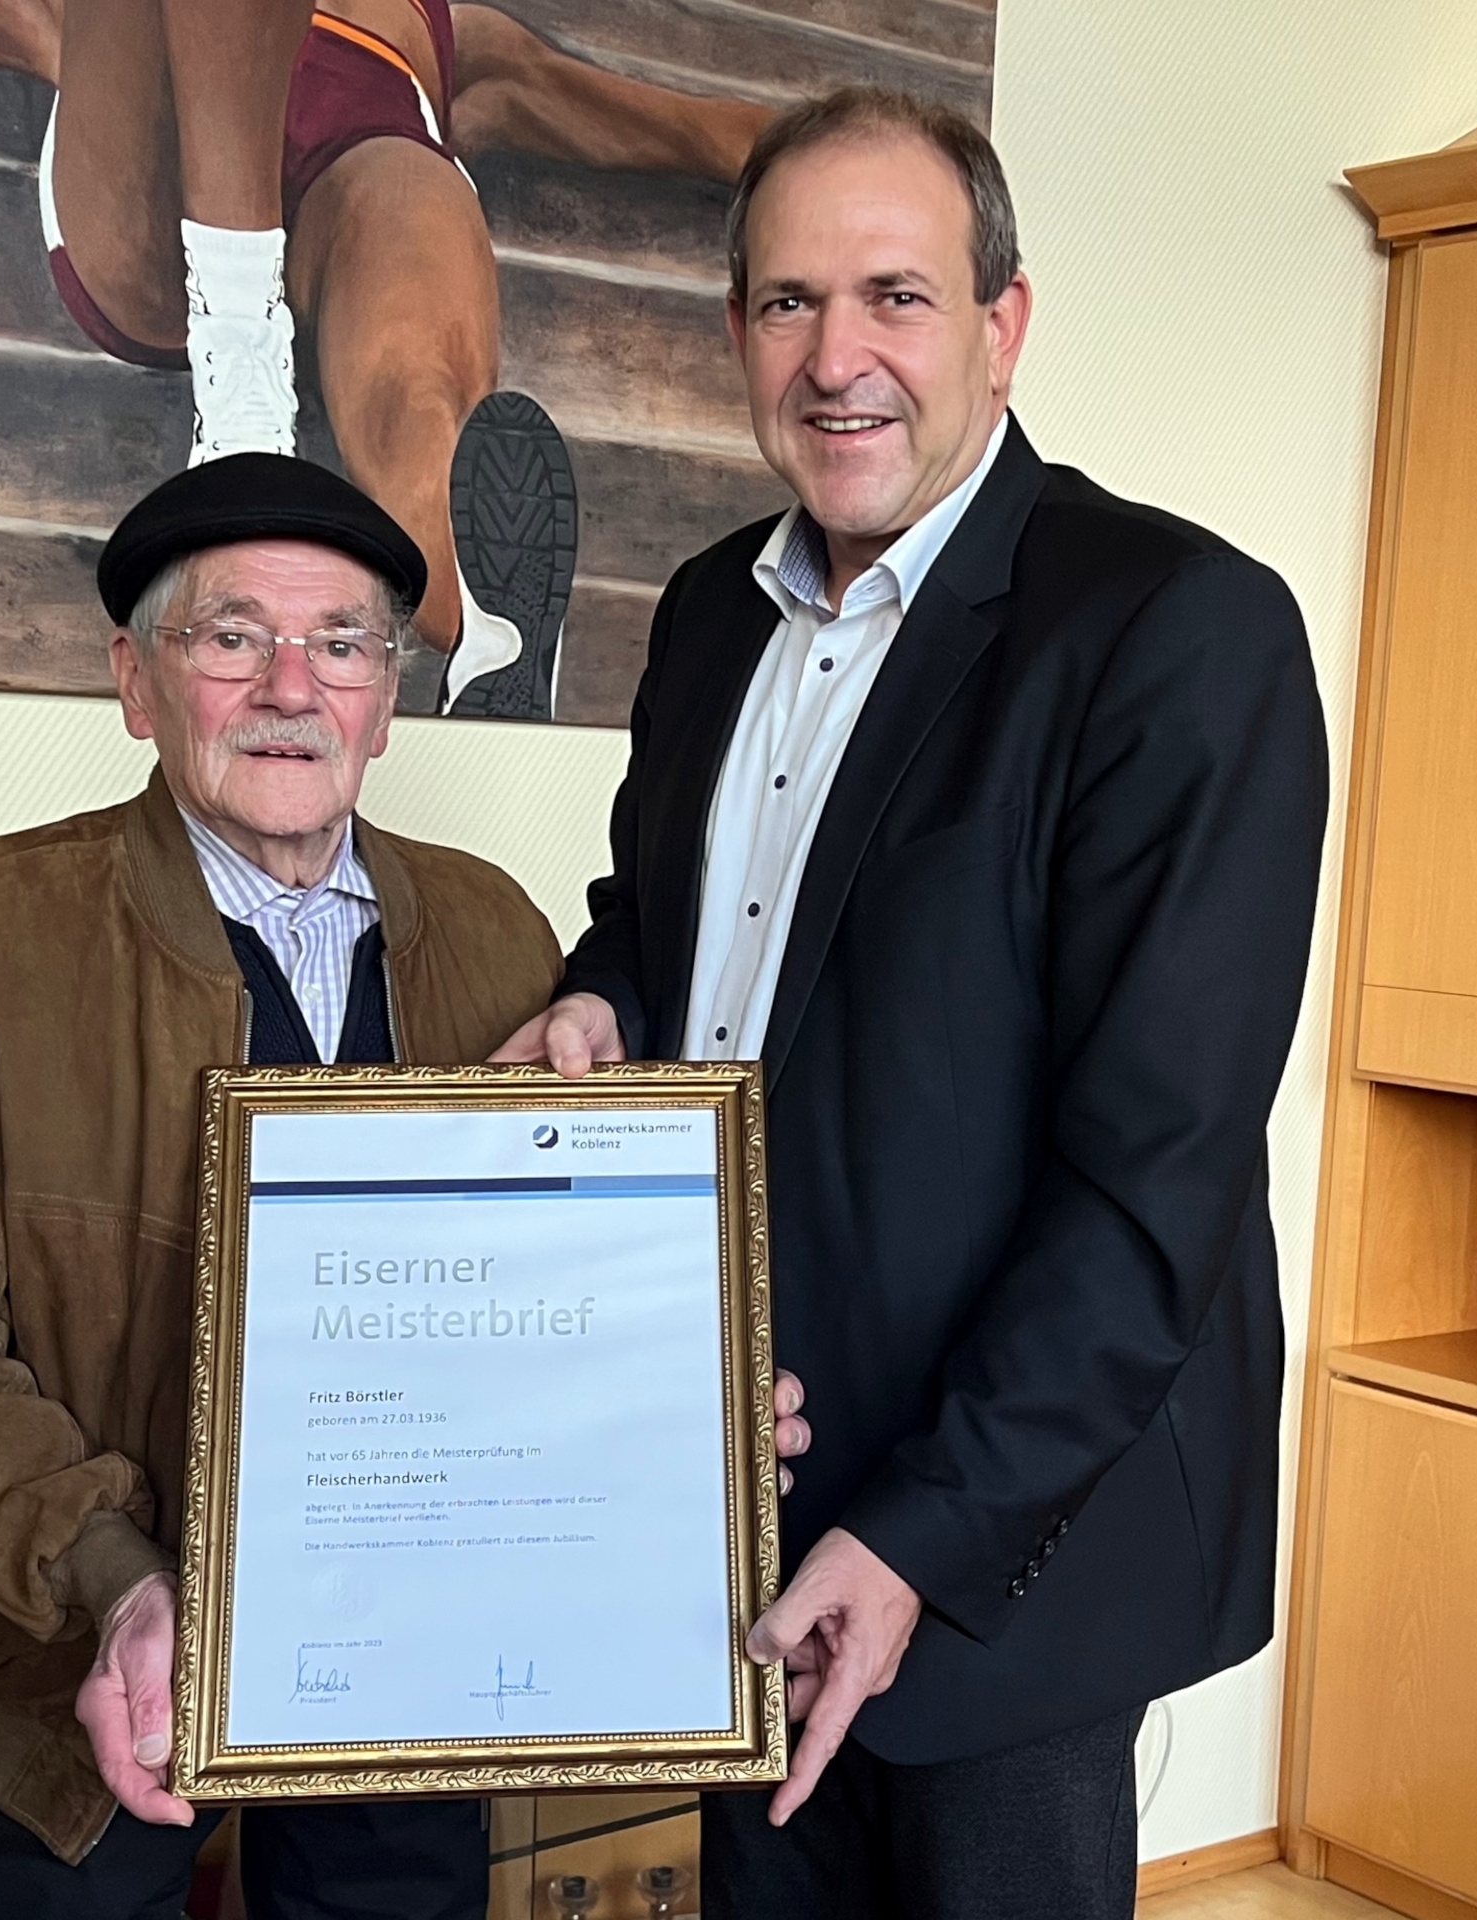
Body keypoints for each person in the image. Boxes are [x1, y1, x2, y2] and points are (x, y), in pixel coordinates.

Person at [495, 88, 1330, 1919]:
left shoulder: (1178, 628)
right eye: (788, 303)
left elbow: (1155, 1181)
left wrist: (922, 1533)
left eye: (897, 296)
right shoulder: (715, 608)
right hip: (734, 1487)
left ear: (1003, 324)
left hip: (1004, 1542)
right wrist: (597, 996)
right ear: (735, 336)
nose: (837, 356)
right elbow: (674, 916)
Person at [0, 452, 811, 1919]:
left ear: (389, 696)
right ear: (136, 681)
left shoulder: (496, 931)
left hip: (411, 1678)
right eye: (231, 636)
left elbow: (546, 1298)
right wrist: (117, 1577)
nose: (291, 686)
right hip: (84, 1672)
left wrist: (678, 1403)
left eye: (342, 645)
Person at [0, 0, 770, 718]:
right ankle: (236, 337)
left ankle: (486, 629)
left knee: (415, 355)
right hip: (160, 194)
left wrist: (892, 165)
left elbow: (691, 129)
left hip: (362, 164)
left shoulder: (451, 30)